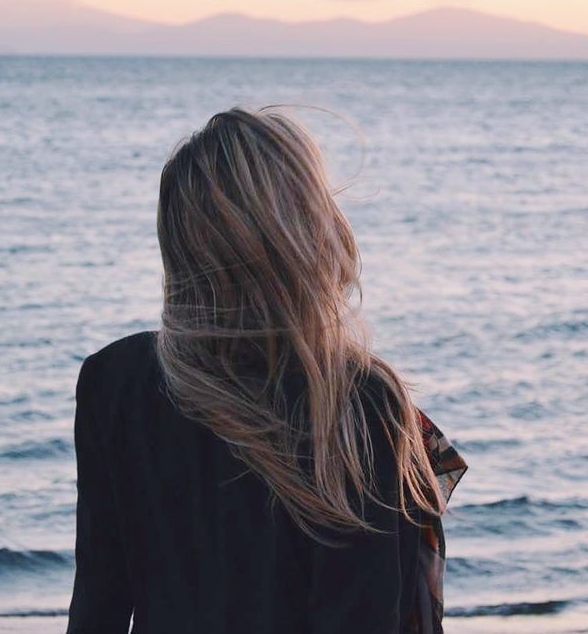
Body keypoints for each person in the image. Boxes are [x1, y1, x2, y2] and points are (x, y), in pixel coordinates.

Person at [67, 105, 466, 634]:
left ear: (180, 240)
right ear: (304, 232)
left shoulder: (114, 380)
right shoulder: (358, 402)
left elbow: (98, 604)